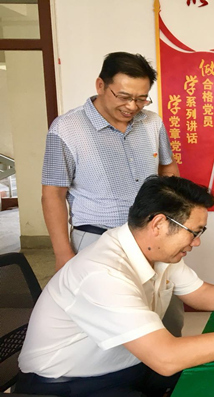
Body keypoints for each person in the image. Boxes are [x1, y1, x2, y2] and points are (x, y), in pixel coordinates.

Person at [16, 175, 214, 397]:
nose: (197, 242)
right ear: (158, 224)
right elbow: (166, 358)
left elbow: (200, 294)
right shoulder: (102, 273)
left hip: (127, 365)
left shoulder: (156, 252)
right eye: (194, 232)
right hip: (66, 384)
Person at [41, 52, 184, 336]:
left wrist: (171, 216)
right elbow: (53, 195)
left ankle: (169, 365)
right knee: (108, 330)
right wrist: (62, 254)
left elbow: (168, 167)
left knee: (166, 320)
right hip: (96, 239)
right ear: (100, 85)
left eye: (141, 99)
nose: (132, 106)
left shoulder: (152, 123)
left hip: (152, 239)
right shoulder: (67, 129)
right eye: (124, 96)